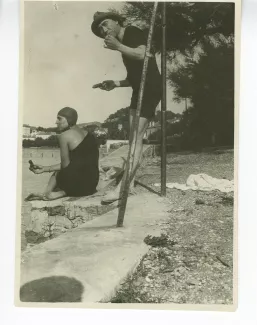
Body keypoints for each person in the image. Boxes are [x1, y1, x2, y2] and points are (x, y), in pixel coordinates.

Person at [91, 11, 161, 203]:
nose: (104, 30)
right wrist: (114, 83)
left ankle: (123, 189)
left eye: (105, 24)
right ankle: (128, 185)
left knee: (136, 140)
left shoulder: (131, 32)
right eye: (100, 29)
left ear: (116, 21)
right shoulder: (124, 43)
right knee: (134, 140)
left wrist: (119, 46)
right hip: (140, 88)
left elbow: (144, 54)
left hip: (150, 88)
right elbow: (134, 77)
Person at [26, 107, 99, 201]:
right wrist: (44, 168)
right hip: (91, 185)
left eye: (59, 118)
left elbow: (65, 166)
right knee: (63, 171)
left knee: (57, 173)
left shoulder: (64, 136)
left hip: (77, 188)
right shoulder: (89, 134)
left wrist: (47, 170)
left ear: (69, 119)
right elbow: (79, 164)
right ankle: (56, 193)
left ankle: (50, 193)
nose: (56, 122)